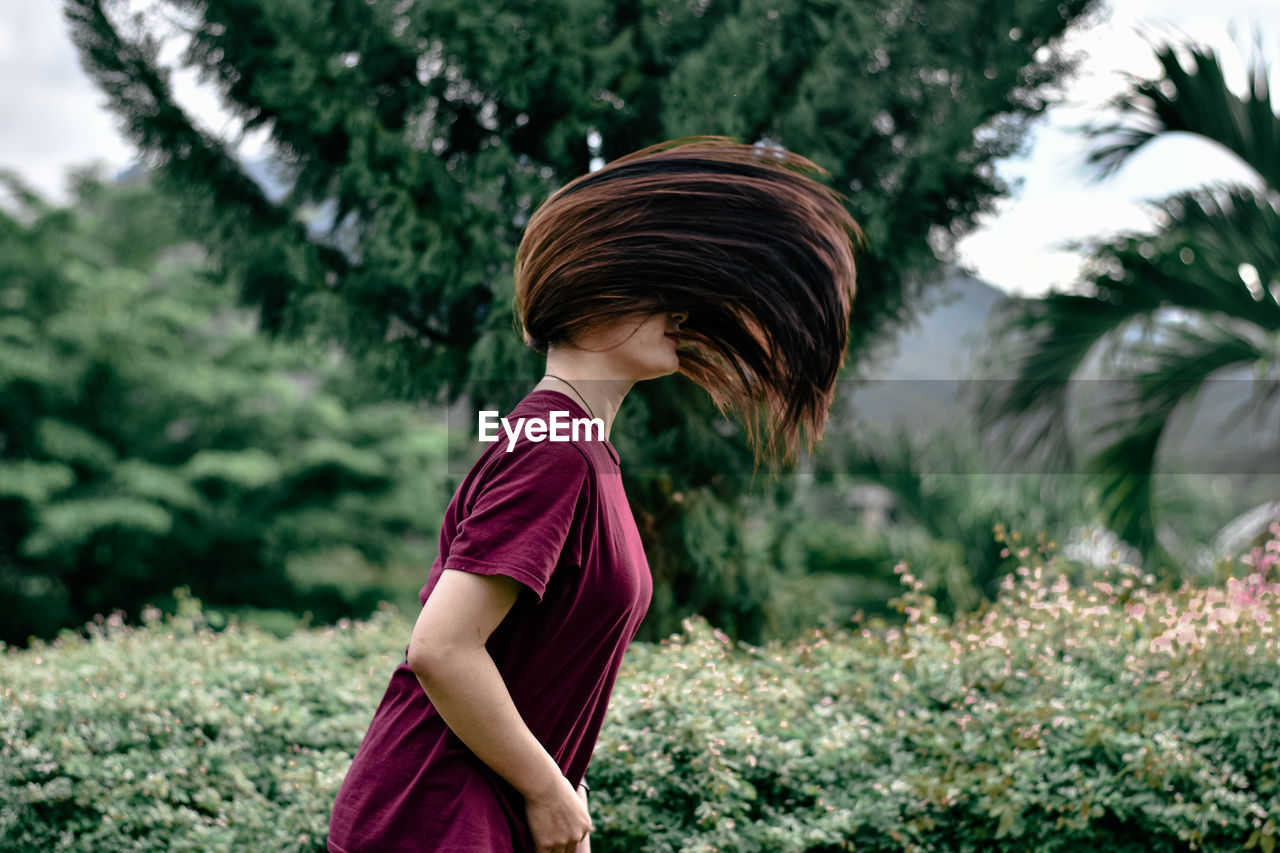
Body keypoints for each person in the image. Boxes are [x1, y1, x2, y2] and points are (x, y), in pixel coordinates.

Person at [326, 136, 863, 852]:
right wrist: (549, 791)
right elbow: (443, 647)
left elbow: (534, 660)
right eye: (657, 288)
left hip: (479, 813)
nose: (682, 308)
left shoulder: (581, 447)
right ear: (594, 293)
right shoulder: (554, 448)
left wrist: (559, 782)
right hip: (437, 816)